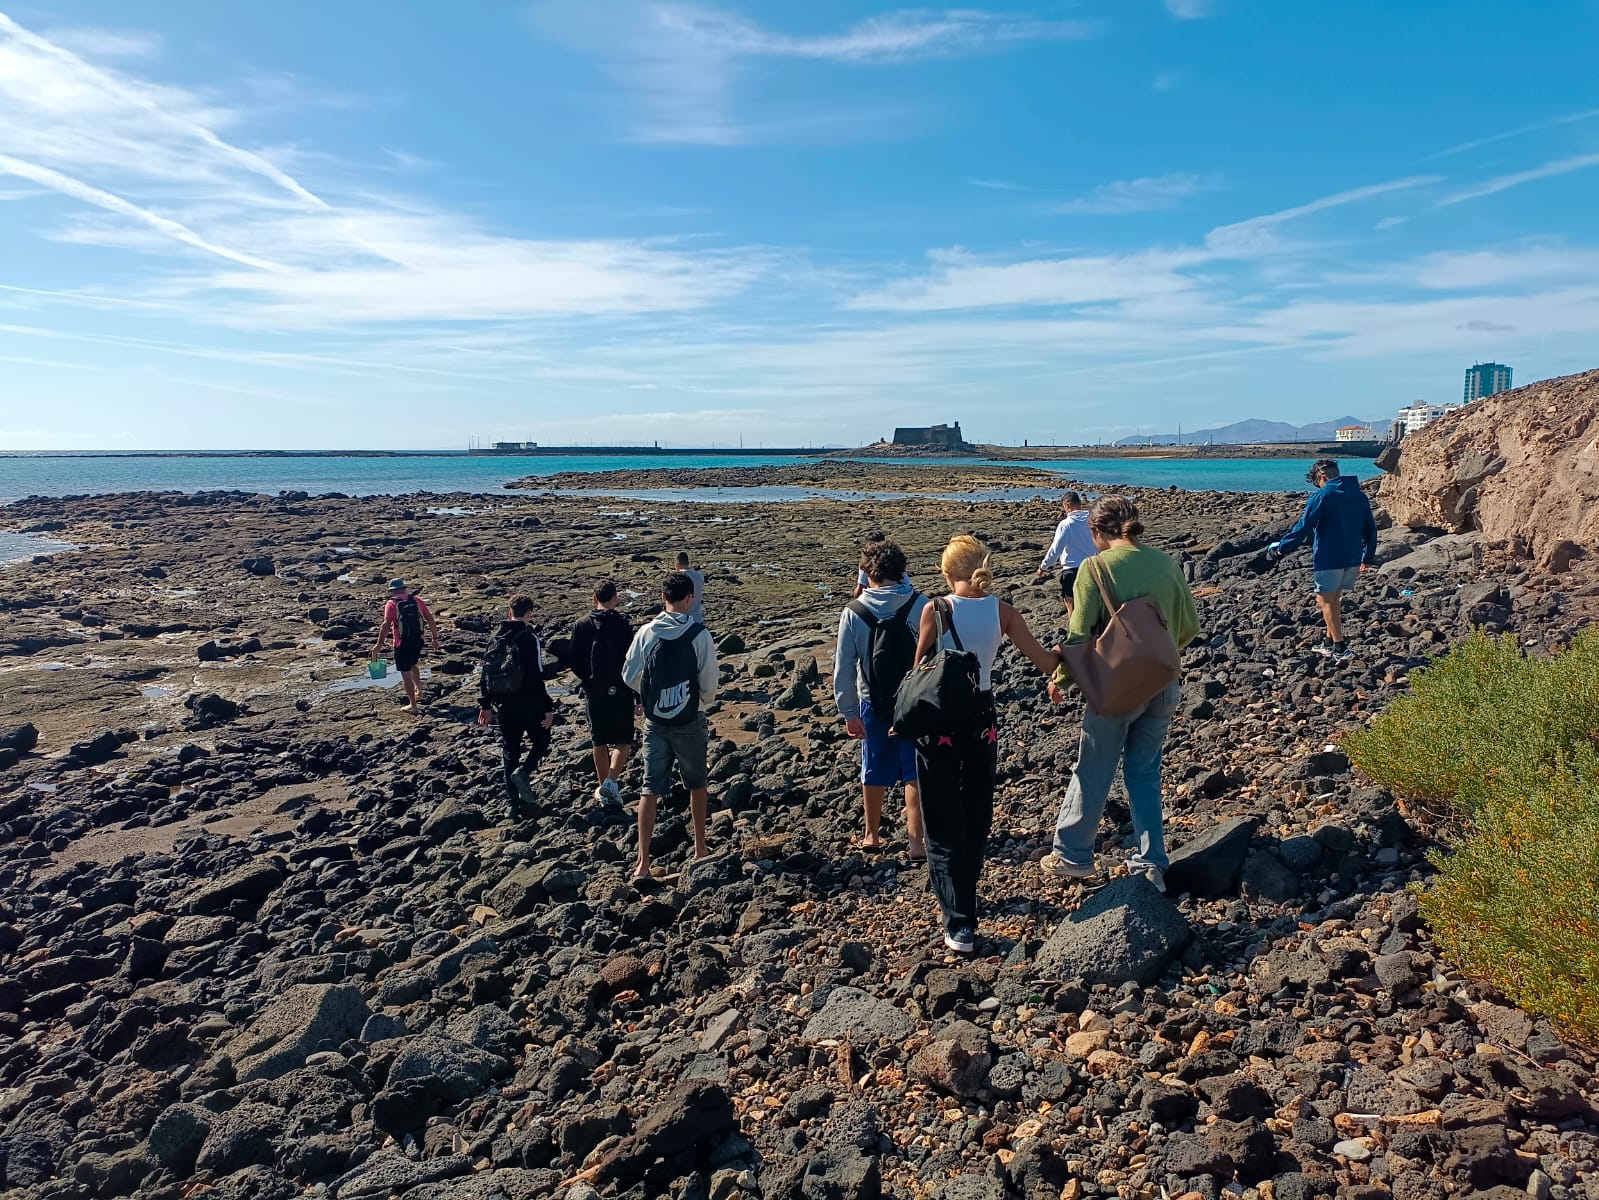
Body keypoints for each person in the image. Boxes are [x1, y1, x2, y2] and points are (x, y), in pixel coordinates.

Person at [912, 535, 1064, 954]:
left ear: (947, 573)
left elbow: (918, 676)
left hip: (939, 721)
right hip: (982, 719)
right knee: (977, 812)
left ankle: (959, 921)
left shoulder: (935, 610)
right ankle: (968, 899)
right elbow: (1045, 663)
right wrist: (1070, 650)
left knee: (941, 820)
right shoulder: (1003, 612)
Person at [1040, 497, 1200, 892]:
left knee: (1094, 768)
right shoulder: (1165, 562)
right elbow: (1190, 625)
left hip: (1116, 689)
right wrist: (1157, 657)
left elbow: (1078, 638)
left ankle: (1073, 855)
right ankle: (1151, 863)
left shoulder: (1093, 569)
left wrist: (1060, 679)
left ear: (1095, 532)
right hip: (1164, 682)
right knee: (1144, 773)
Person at [834, 539, 928, 859]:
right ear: (901, 570)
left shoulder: (854, 612)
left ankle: (871, 834)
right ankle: (916, 842)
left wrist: (848, 712)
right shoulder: (921, 604)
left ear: (866, 572)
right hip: (915, 702)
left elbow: (844, 666)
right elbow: (934, 656)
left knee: (872, 768)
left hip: (872, 701)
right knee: (914, 771)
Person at [622, 572, 718, 881]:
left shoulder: (647, 633)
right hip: (690, 718)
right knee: (697, 784)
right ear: (690, 599)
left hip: (655, 721)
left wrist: (651, 695)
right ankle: (700, 848)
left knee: (650, 789)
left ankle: (642, 863)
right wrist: (697, 702)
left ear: (664, 598)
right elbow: (709, 684)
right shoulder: (699, 634)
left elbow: (628, 674)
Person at [1266, 459, 1378, 661]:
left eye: (1317, 481)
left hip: (1329, 557)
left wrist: (1282, 549)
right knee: (1334, 600)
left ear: (1322, 478)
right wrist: (1367, 556)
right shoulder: (1360, 496)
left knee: (1325, 601)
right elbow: (1370, 528)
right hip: (1352, 557)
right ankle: (1328, 642)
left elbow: (1303, 527)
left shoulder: (1322, 496)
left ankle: (1340, 648)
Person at [476, 595, 555, 821]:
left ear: (509, 612)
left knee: (510, 752)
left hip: (504, 705)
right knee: (541, 740)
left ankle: (512, 805)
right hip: (529, 702)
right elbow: (535, 676)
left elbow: (485, 673)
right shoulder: (529, 637)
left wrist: (485, 704)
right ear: (529, 613)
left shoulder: (495, 638)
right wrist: (548, 707)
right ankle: (525, 772)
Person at [570, 579, 635, 807]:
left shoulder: (581, 625)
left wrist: (586, 680)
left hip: (594, 690)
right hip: (622, 688)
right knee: (624, 739)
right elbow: (632, 661)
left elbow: (574, 661)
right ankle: (610, 783)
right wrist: (638, 694)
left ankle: (604, 787)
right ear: (615, 598)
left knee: (598, 740)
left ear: (594, 599)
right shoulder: (623, 624)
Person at [373, 578, 439, 713]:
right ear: (404, 588)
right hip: (418, 640)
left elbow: (386, 625)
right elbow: (429, 618)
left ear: (392, 591)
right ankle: (418, 689)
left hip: (401, 642)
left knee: (405, 673)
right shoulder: (416, 600)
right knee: (413, 664)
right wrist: (435, 638)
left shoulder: (391, 603)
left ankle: (413, 706)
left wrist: (379, 645)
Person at [1034, 492, 1098, 616]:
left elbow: (1055, 549)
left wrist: (1043, 567)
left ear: (1067, 505)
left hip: (1072, 569)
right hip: (1093, 567)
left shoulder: (1067, 524)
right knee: (1093, 604)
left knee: (1071, 606)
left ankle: (1074, 631)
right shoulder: (1092, 520)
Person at [851, 530, 912, 599]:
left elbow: (860, 590)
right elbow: (908, 585)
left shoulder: (868, 563)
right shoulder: (893, 558)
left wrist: (857, 604)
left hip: (877, 598)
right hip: (900, 596)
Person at [676, 552, 706, 624]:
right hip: (697, 618)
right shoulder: (699, 576)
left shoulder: (679, 577)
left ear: (677, 564)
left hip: (683, 620)